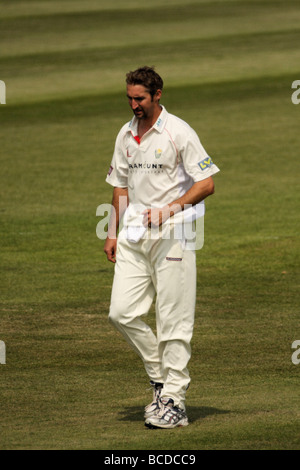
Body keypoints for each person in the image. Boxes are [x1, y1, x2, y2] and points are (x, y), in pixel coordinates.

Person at [104, 66, 220, 429]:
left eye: (139, 98)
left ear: (157, 95)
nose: (133, 104)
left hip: (175, 235)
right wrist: (111, 230)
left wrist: (170, 209)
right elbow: (120, 185)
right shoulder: (125, 134)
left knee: (173, 321)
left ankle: (175, 400)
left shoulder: (178, 132)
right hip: (134, 237)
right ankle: (160, 380)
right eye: (129, 98)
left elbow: (207, 184)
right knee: (120, 313)